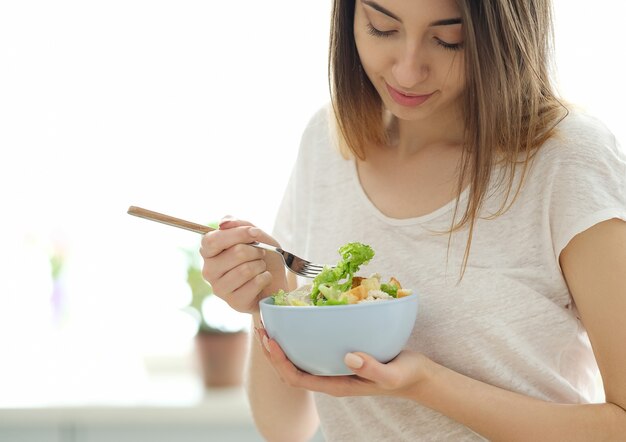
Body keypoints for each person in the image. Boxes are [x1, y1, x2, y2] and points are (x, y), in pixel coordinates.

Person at [200, 0, 626, 440]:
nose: (407, 71)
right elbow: (285, 428)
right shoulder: (328, 143)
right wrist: (269, 302)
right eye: (382, 28)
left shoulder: (567, 160)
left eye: (449, 39)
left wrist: (428, 384)